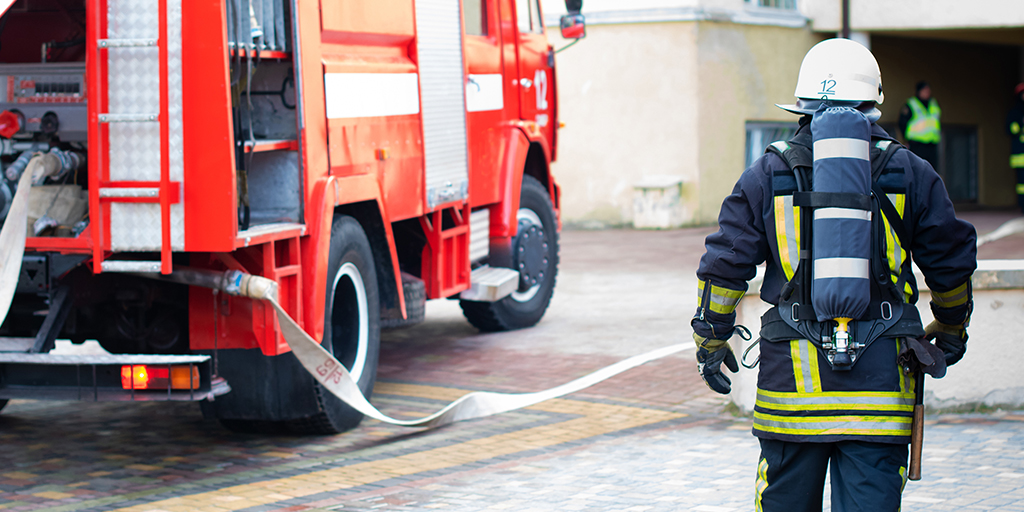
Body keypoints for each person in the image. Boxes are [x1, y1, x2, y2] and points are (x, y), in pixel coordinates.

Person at [691, 38, 977, 511]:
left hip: (791, 395)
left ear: (802, 105)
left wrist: (711, 341)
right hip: (881, 393)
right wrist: (950, 329)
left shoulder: (768, 173)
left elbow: (724, 267)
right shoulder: (910, 170)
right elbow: (952, 263)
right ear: (873, 102)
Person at [898, 81, 941, 170]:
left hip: (931, 144)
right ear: (919, 91)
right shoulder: (911, 104)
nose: (927, 92)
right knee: (917, 169)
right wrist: (906, 139)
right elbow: (902, 122)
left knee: (932, 170)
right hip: (916, 144)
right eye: (924, 90)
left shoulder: (933, 103)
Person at [1007, 82, 1024, 215]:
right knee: (1021, 184)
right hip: (1020, 156)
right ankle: (1022, 205)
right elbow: (1011, 129)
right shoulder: (1015, 112)